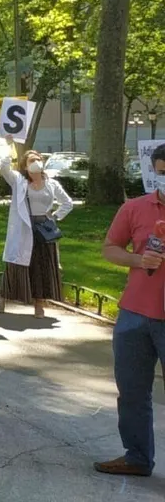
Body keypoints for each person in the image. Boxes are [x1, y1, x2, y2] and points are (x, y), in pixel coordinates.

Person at [94, 143, 165, 478]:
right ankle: (137, 457)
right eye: (162, 172)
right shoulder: (134, 208)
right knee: (132, 390)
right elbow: (110, 249)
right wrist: (138, 260)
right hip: (135, 314)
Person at [0, 135, 73, 318]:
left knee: (41, 266)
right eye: (32, 160)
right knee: (15, 264)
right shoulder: (18, 181)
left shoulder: (51, 183)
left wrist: (54, 216)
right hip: (24, 227)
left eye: (38, 159)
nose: (36, 162)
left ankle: (39, 304)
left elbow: (67, 203)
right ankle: (2, 300)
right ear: (25, 165)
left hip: (43, 230)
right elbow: (4, 168)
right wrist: (9, 147)